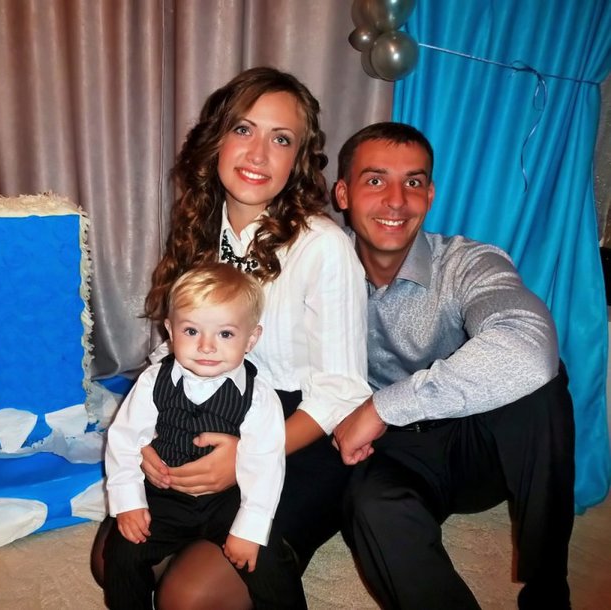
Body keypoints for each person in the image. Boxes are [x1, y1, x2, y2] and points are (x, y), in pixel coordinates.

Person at [92, 66, 371, 609]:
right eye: (244, 129)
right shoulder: (199, 227)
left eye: (281, 139)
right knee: (112, 560)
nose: (258, 153)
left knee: (186, 597)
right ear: (217, 138)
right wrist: (146, 441)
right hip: (201, 406)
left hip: (297, 431)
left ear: (298, 159)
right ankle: (195, 533)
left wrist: (243, 459)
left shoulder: (323, 246)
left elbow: (342, 389)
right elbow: (172, 349)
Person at [332, 122, 575, 610]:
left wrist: (381, 407)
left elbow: (529, 348)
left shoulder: (466, 262)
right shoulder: (318, 269)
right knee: (370, 509)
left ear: (430, 194)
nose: (396, 201)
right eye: (375, 180)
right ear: (343, 194)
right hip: (393, 454)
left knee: (541, 384)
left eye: (413, 182)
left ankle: (548, 587)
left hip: (476, 443)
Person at [103, 263, 305, 609]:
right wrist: (129, 502)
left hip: (228, 500)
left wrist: (249, 528)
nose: (207, 346)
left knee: (268, 559)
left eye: (225, 334)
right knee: (120, 553)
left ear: (251, 338)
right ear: (170, 330)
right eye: (192, 331)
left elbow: (265, 467)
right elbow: (125, 439)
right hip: (165, 496)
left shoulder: (259, 396)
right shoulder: (153, 381)